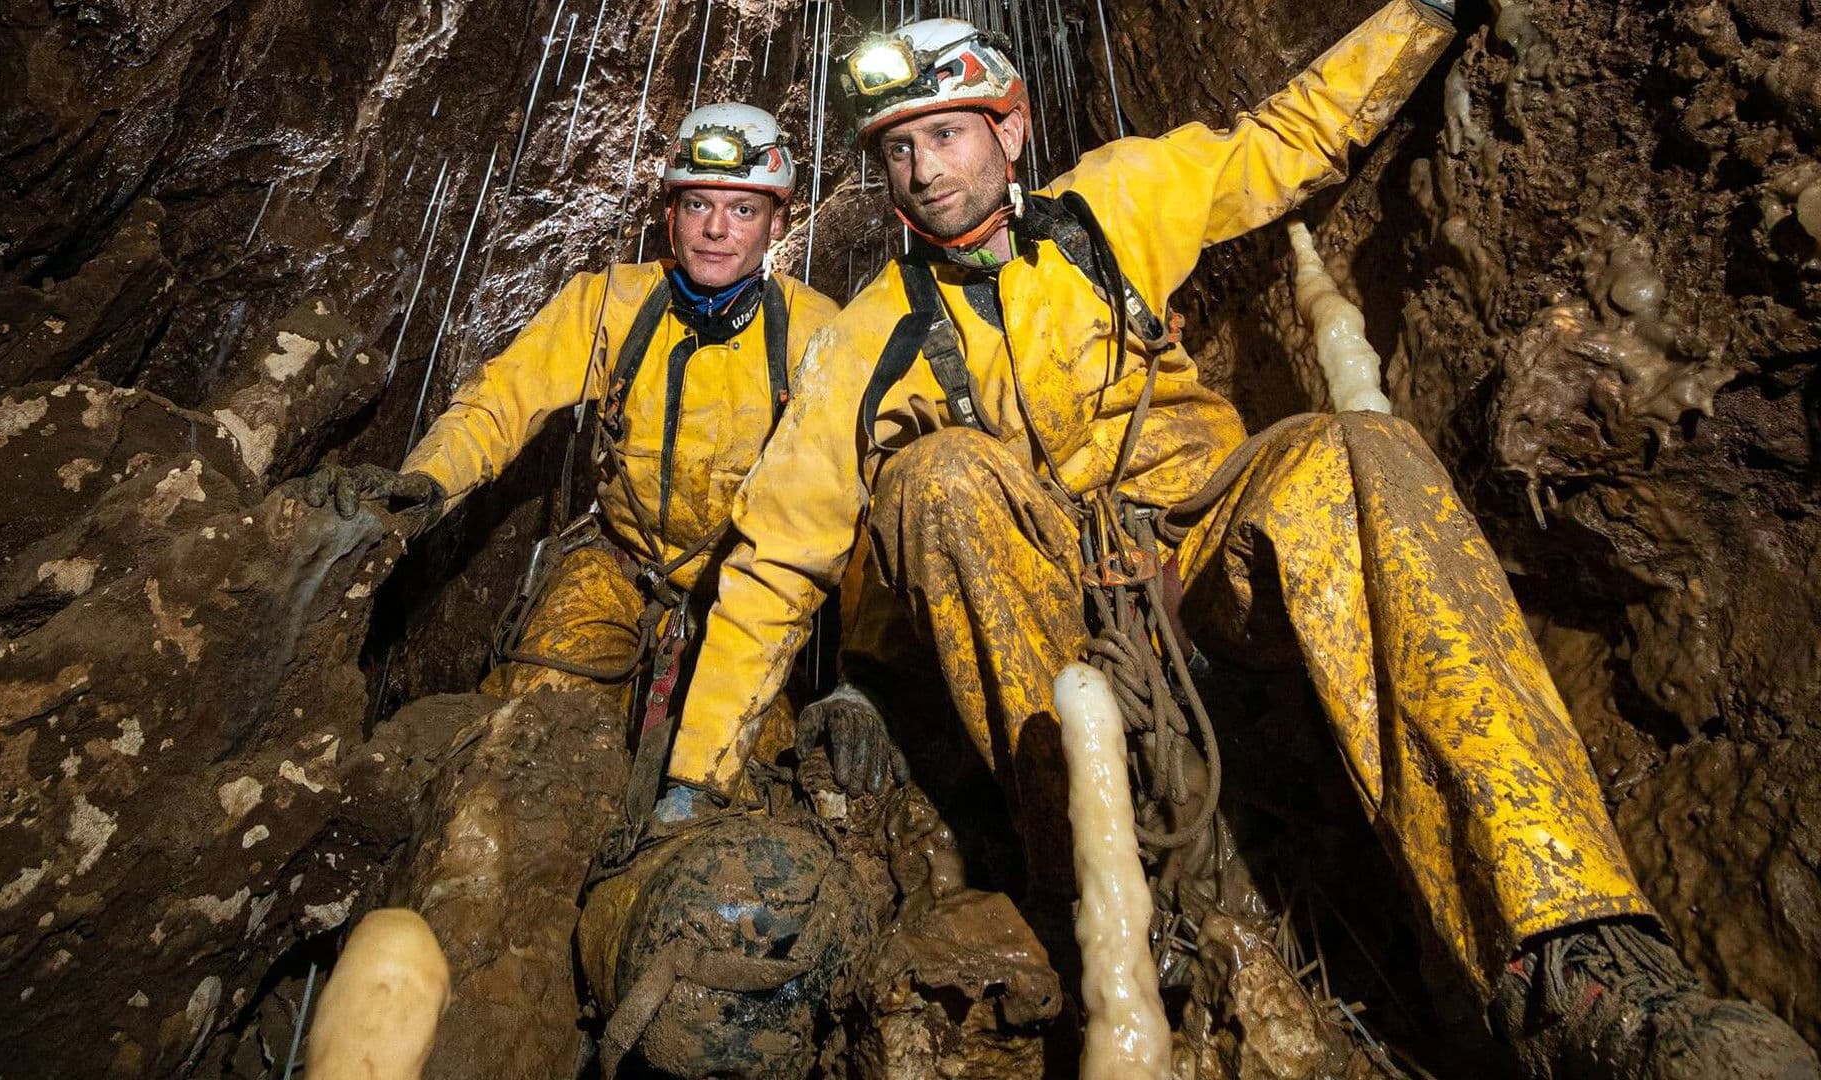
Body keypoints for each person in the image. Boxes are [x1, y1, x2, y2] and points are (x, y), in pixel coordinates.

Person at [647, 7, 1820, 1078]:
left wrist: (1424, 16)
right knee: (935, 477)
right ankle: (1113, 908)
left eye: (946, 135)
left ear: (1009, 131)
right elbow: (780, 551)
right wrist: (695, 779)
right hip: (1051, 618)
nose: (923, 168)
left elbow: (1286, 138)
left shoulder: (1117, 203)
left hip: (1207, 551)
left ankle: (1575, 953)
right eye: (899, 148)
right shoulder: (871, 336)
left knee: (1357, 453)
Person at [297, 103, 838, 812]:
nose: (715, 228)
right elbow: (502, 399)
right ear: (669, 213)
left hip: (750, 592)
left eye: (742, 209)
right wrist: (425, 481)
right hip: (616, 562)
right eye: (698, 203)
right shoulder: (609, 302)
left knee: (747, 788)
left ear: (778, 221)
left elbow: (849, 506)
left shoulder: (818, 333)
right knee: (523, 745)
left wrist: (862, 676)